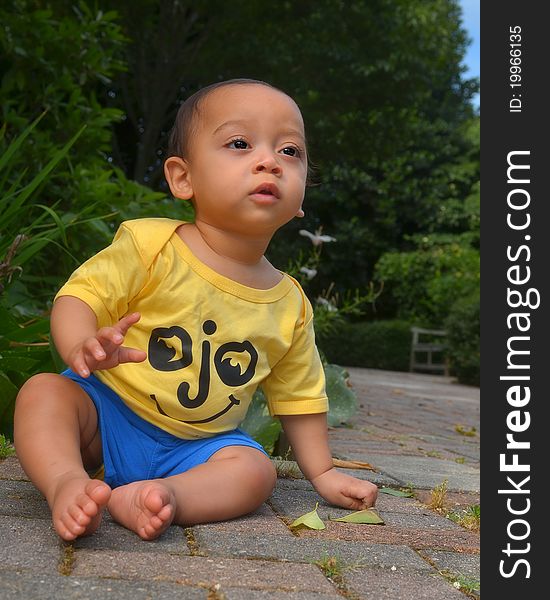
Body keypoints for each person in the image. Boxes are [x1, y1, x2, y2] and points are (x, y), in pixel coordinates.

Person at [14, 78, 378, 542]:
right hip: (107, 416)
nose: (269, 160)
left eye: (290, 151)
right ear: (183, 178)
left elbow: (300, 397)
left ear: (302, 195)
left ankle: (162, 495)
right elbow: (80, 296)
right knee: (44, 394)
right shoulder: (151, 247)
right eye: (241, 144)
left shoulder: (290, 305)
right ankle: (65, 481)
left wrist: (324, 473)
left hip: (200, 446)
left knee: (254, 470)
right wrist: (81, 343)